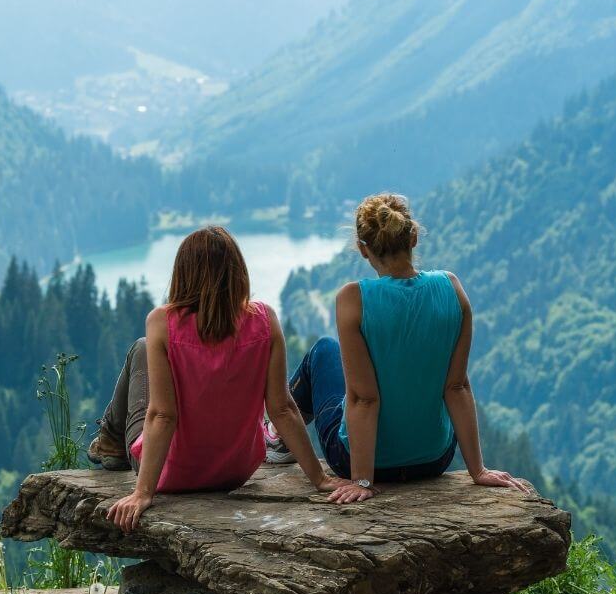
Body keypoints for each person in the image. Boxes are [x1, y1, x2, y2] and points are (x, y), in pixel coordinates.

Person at [265, 193, 529, 504]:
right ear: (413, 237)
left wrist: (362, 480)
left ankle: (278, 439)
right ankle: (278, 437)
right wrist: (478, 471)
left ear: (364, 250)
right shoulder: (452, 288)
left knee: (324, 350)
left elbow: (365, 398)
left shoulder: (353, 299)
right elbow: (456, 387)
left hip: (363, 463)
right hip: (433, 460)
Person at [88, 226, 345, 532]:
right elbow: (283, 409)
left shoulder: (162, 322)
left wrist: (143, 492)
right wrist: (320, 478)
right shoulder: (265, 320)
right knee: (145, 349)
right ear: (237, 273)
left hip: (173, 475)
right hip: (235, 472)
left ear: (183, 273)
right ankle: (108, 442)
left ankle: (109, 442)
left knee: (141, 348)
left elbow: (162, 415)